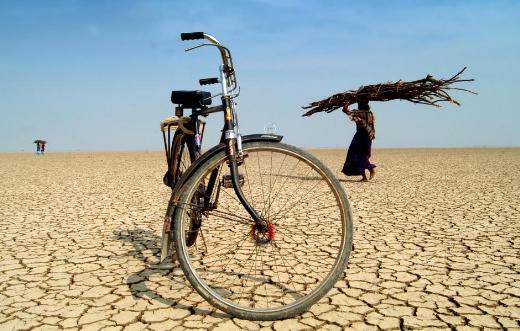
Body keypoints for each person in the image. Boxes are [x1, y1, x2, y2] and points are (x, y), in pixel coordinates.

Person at [341, 100, 376, 181]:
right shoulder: (370, 113)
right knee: (360, 156)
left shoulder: (359, 113)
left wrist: (347, 102)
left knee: (358, 156)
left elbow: (345, 110)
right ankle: (364, 177)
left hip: (360, 137)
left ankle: (370, 169)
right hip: (368, 137)